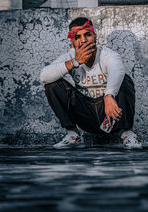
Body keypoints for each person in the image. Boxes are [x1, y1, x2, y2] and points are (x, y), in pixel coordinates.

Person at [40, 17, 142, 149]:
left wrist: (109, 95)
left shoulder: (108, 55)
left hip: (111, 115)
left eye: (87, 35)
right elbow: (44, 76)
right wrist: (75, 62)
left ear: (95, 36)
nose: (83, 40)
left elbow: (117, 70)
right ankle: (73, 134)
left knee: (125, 80)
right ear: (72, 42)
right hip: (85, 117)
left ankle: (127, 134)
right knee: (52, 85)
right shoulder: (70, 56)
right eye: (77, 37)